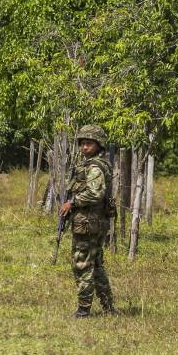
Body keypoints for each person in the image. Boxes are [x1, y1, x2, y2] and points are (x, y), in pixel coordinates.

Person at [60, 125, 116, 318]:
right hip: (91, 223)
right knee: (97, 266)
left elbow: (95, 193)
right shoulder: (91, 164)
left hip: (88, 225)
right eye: (82, 144)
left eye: (89, 144)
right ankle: (109, 308)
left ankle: (84, 310)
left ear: (98, 145)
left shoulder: (94, 167)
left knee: (82, 264)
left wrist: (72, 202)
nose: (84, 147)